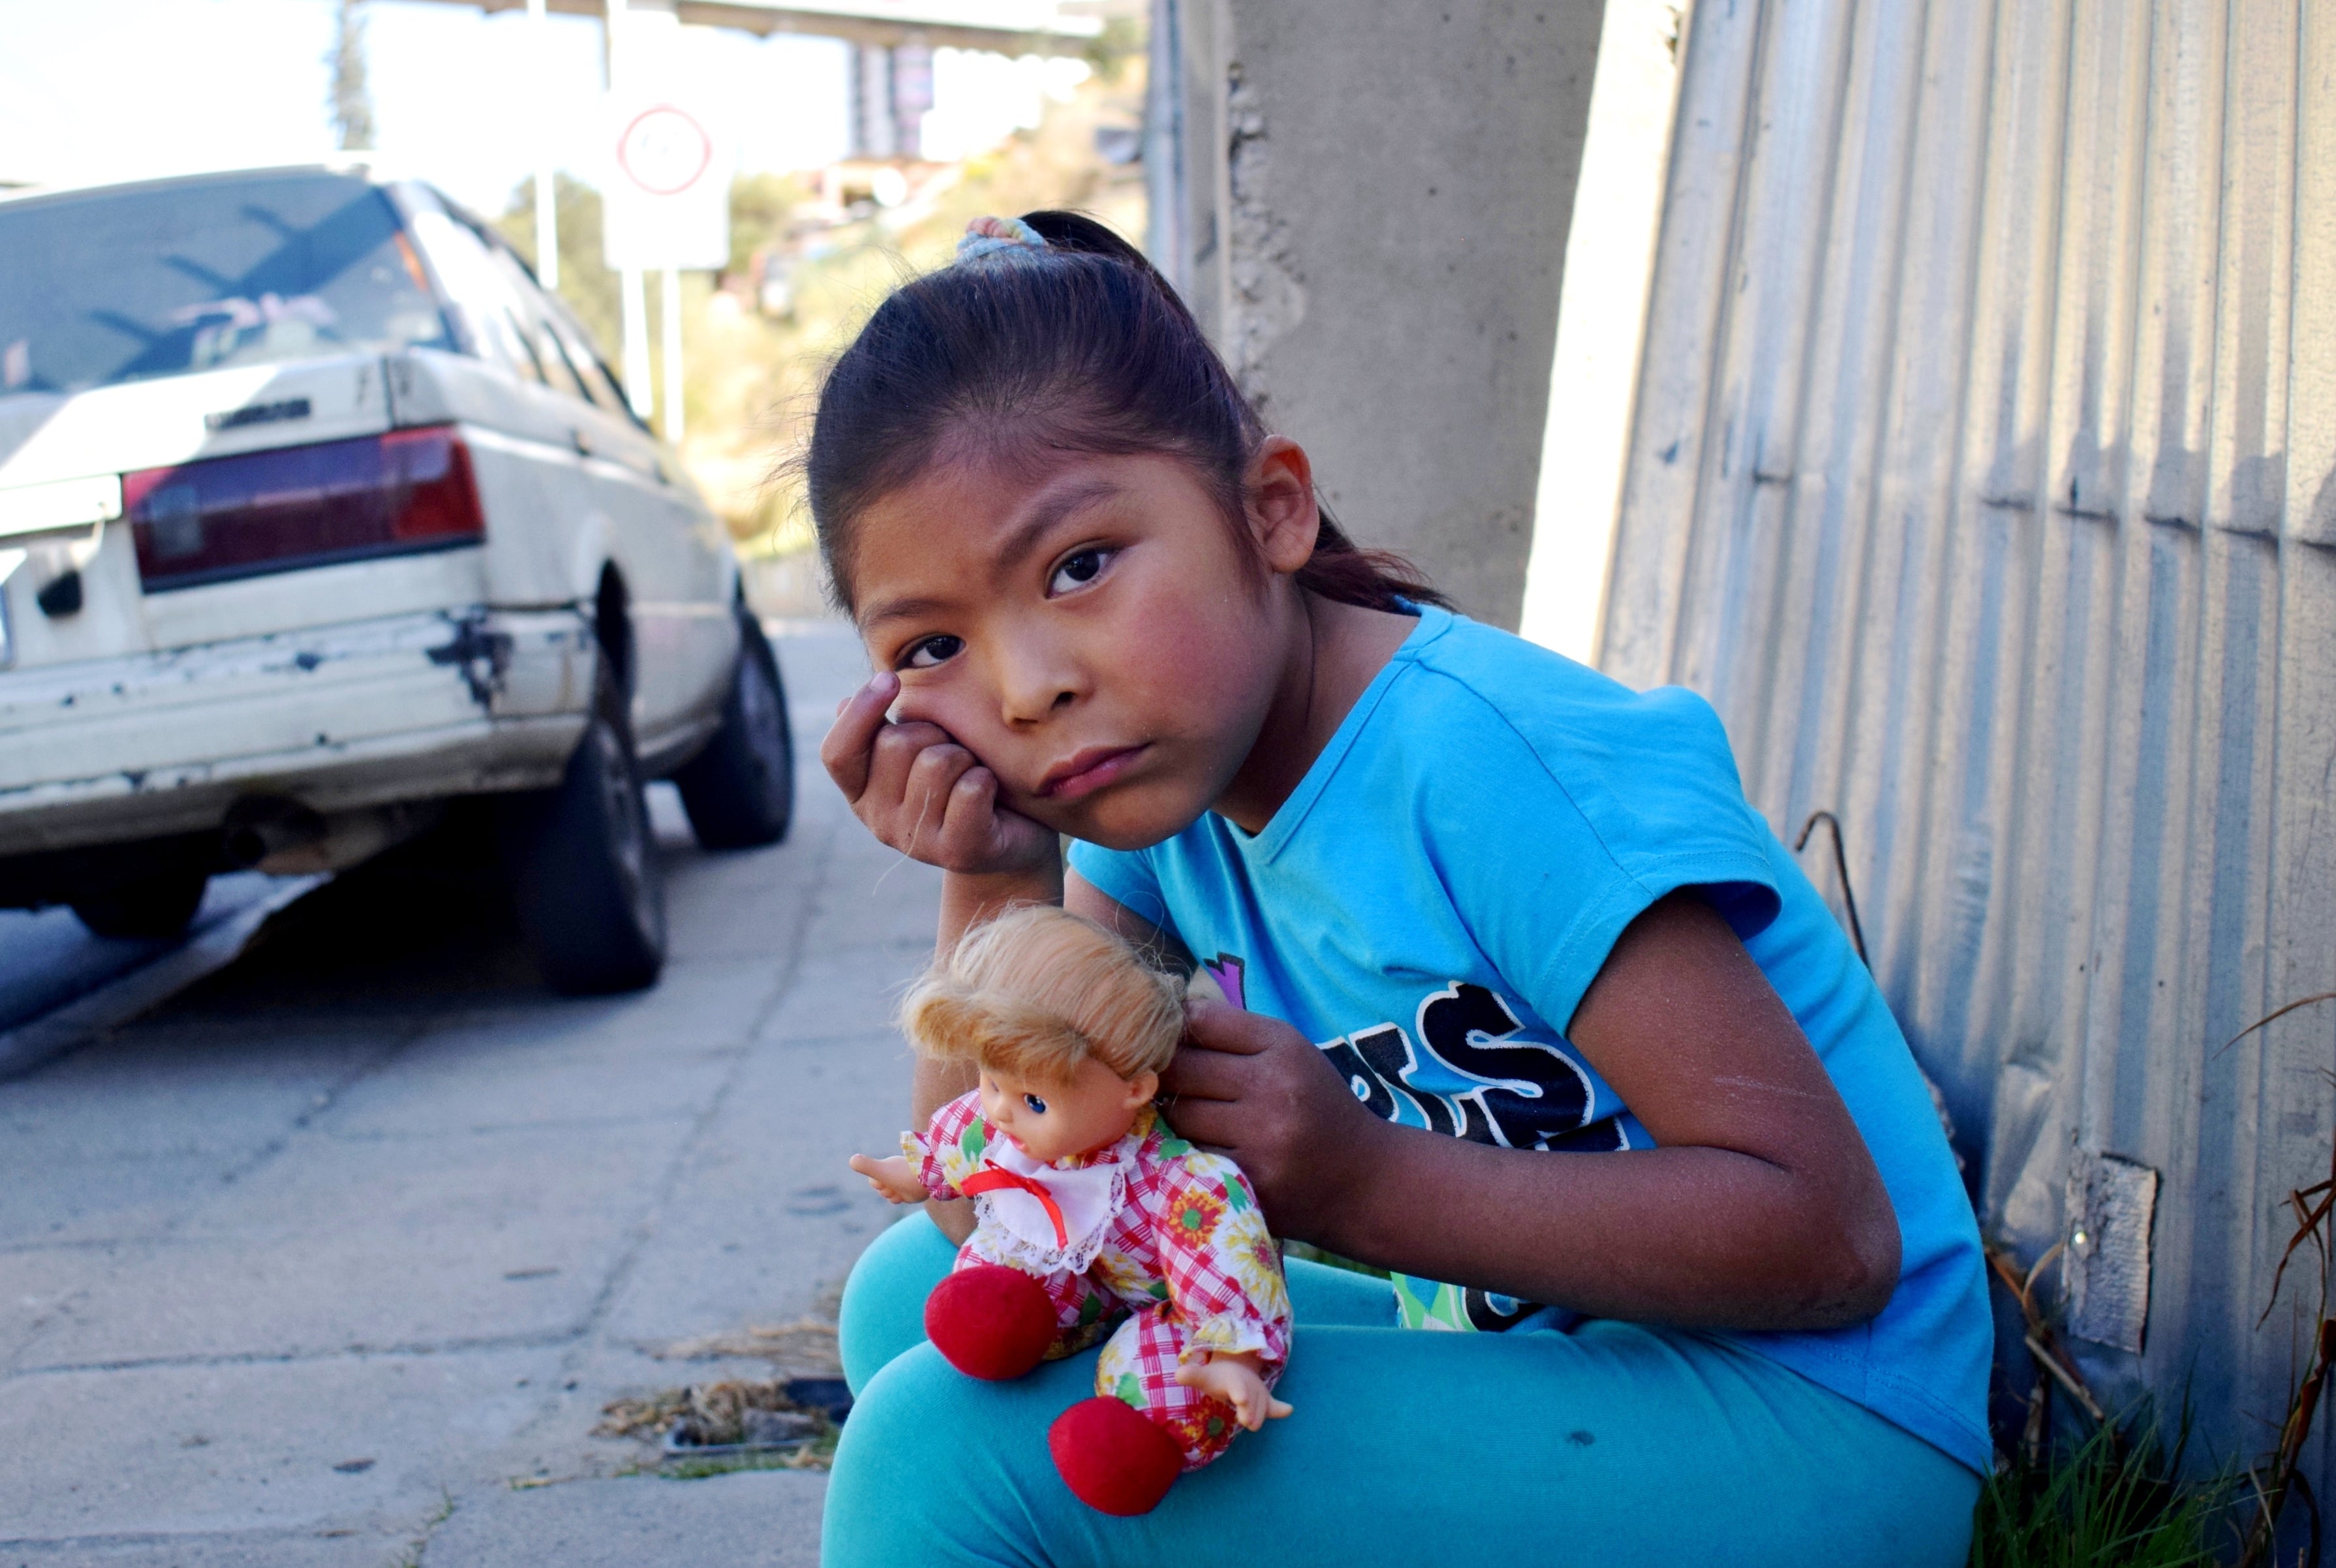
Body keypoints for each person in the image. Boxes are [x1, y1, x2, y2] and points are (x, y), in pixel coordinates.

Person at [811, 210, 1990, 1566]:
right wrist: (993, 880)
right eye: (935, 642)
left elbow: (1829, 1238)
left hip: (1810, 1421)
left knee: (944, 1455)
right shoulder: (1146, 797)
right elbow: (995, 1212)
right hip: (1560, 1371)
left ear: (1271, 510)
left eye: (1079, 567)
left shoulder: (1484, 760)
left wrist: (1363, 1180)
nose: (1027, 688)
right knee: (918, 1299)